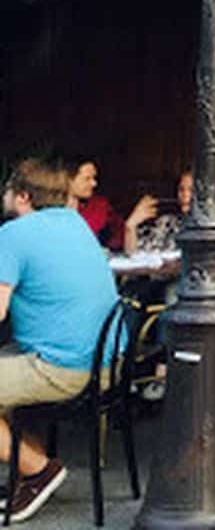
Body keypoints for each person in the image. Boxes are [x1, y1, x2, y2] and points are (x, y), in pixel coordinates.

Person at [0, 157, 118, 523]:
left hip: (63, 368)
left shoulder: (14, 234)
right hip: (105, 363)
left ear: (22, 197)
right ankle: (27, 472)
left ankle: (39, 471)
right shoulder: (75, 224)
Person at [66, 156, 151, 252]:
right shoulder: (50, 213)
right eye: (87, 178)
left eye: (94, 178)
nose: (94, 183)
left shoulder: (99, 206)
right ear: (68, 180)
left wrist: (130, 227)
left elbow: (129, 252)